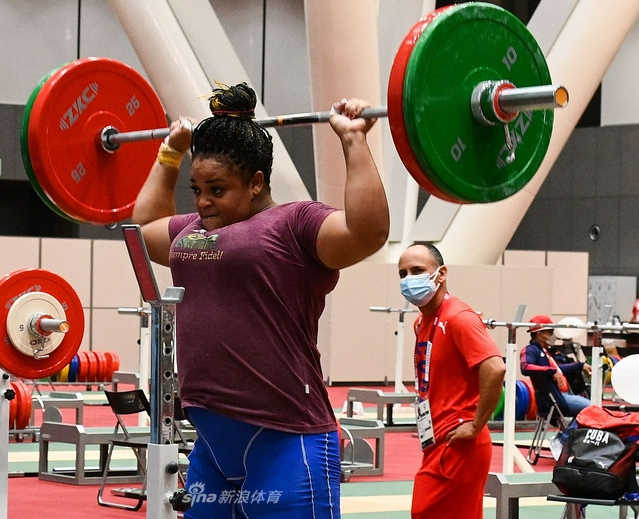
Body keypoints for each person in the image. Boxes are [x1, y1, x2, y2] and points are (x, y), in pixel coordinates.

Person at [132, 83, 389, 519]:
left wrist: (353, 140)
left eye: (217, 188)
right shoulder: (191, 227)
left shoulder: (293, 223)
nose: (203, 201)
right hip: (213, 444)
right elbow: (141, 232)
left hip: (287, 440)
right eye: (196, 189)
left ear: (255, 183)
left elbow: (367, 233)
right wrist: (170, 153)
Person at [398, 242, 505, 519]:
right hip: (438, 440)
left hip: (460, 443)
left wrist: (476, 424)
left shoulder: (460, 318)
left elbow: (495, 368)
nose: (409, 279)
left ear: (441, 273)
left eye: (418, 270)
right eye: (403, 273)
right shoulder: (422, 323)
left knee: (425, 512)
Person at [520, 315, 592, 416]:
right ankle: (573, 430)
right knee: (594, 409)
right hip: (555, 399)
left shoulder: (546, 351)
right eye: (550, 332)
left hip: (560, 396)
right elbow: (525, 367)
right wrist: (551, 371)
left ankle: (573, 430)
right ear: (540, 335)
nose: (553, 335)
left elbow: (558, 369)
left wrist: (580, 365)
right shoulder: (531, 350)